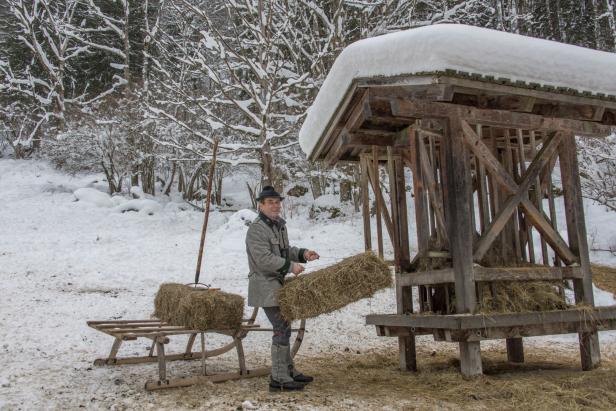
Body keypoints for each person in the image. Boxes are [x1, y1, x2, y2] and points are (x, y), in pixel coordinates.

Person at [246, 185, 320, 392]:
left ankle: (288, 370)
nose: (276, 205)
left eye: (278, 202)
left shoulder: (279, 225)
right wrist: (290, 266)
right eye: (270, 202)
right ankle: (279, 377)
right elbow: (263, 259)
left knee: (284, 326)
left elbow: (285, 251)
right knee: (281, 327)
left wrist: (303, 254)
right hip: (264, 285)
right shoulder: (256, 229)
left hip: (277, 285)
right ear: (260, 205)